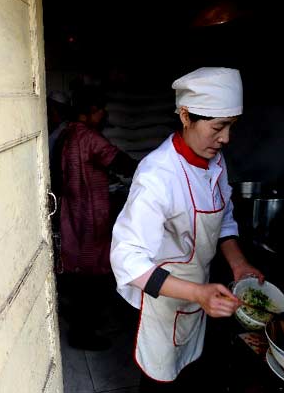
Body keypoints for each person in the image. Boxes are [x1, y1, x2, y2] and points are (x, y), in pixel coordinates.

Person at [110, 67, 264, 391]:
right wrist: (196, 293)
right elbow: (126, 258)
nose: (226, 138)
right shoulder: (157, 175)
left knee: (192, 375)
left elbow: (224, 218)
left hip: (201, 294)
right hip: (164, 300)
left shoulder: (215, 163)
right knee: (161, 382)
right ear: (185, 115)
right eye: (218, 127)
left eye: (231, 127)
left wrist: (238, 264)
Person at [54, 86, 137, 351]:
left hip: (73, 215)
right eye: (101, 110)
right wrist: (151, 170)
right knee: (92, 279)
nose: (104, 115)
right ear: (90, 111)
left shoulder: (67, 133)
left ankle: (84, 323)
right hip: (91, 218)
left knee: (80, 275)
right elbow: (120, 161)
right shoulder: (89, 137)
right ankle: (82, 335)